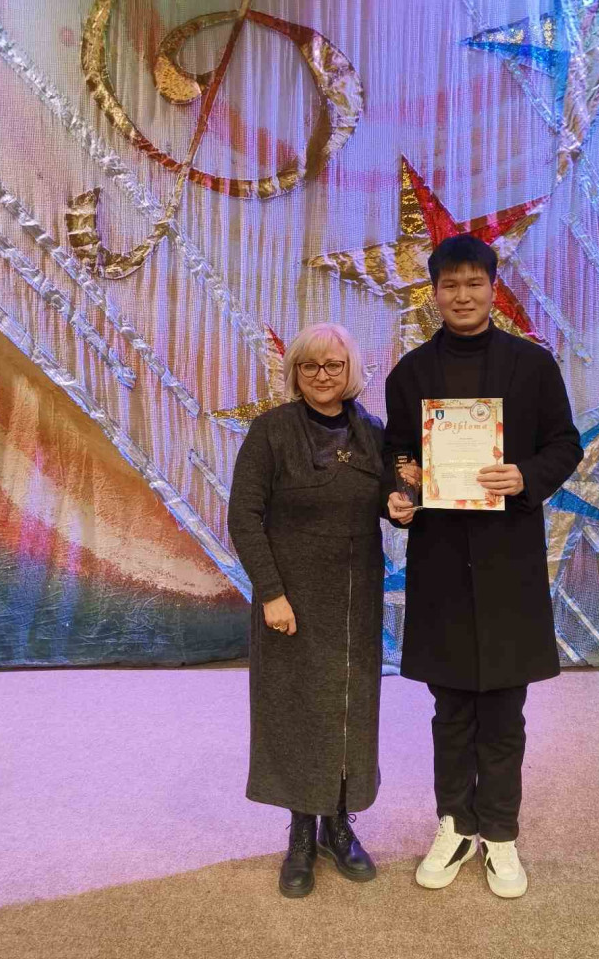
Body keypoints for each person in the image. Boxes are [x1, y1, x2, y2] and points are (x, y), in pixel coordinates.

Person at [383, 234, 583, 899]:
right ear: (434, 293)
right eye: (450, 285)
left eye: (474, 284)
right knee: (449, 709)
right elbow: (398, 456)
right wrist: (399, 494)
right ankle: (455, 824)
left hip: (509, 561)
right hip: (440, 560)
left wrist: (524, 475)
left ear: (493, 289)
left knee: (503, 710)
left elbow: (565, 445)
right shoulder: (410, 374)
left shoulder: (533, 366)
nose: (462, 296)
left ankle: (499, 832)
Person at [227, 323, 386, 899]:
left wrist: (404, 504)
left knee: (348, 709)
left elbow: (392, 499)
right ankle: (300, 832)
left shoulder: (373, 433)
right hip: (290, 600)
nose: (323, 375)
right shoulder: (270, 431)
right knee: (296, 710)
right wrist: (271, 592)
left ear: (351, 371)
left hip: (355, 600)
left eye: (334, 365)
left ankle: (337, 825)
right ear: (295, 372)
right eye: (311, 366)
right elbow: (244, 515)